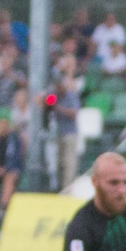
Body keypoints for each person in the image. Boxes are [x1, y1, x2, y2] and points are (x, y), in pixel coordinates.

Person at [53, 58, 83, 190]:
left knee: (70, 163)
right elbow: (46, 103)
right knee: (60, 163)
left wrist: (58, 108)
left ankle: (68, 190)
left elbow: (74, 113)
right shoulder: (55, 96)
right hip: (58, 132)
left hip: (70, 133)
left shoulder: (71, 96)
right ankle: (60, 188)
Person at [0, 117, 26, 211]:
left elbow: (17, 158)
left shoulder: (14, 140)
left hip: (12, 170)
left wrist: (6, 169)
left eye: (4, 125)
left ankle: (3, 206)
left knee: (9, 178)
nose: (2, 127)